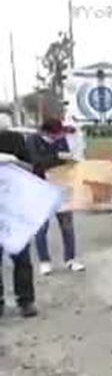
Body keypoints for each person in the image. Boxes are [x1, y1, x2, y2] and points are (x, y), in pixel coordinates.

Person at [28, 117, 85, 275]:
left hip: (61, 187)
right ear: (47, 132)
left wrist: (70, 160)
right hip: (41, 189)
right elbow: (37, 162)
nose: (59, 137)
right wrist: (58, 157)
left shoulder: (61, 140)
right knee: (41, 228)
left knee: (67, 226)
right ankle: (45, 261)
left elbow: (67, 157)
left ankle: (70, 259)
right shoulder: (33, 140)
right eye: (56, 134)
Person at [0, 114, 39, 318]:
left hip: (14, 208)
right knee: (22, 257)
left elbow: (29, 167)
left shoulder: (16, 141)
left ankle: (24, 301)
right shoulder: (17, 140)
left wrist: (13, 161)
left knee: (21, 257)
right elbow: (30, 168)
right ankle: (25, 301)